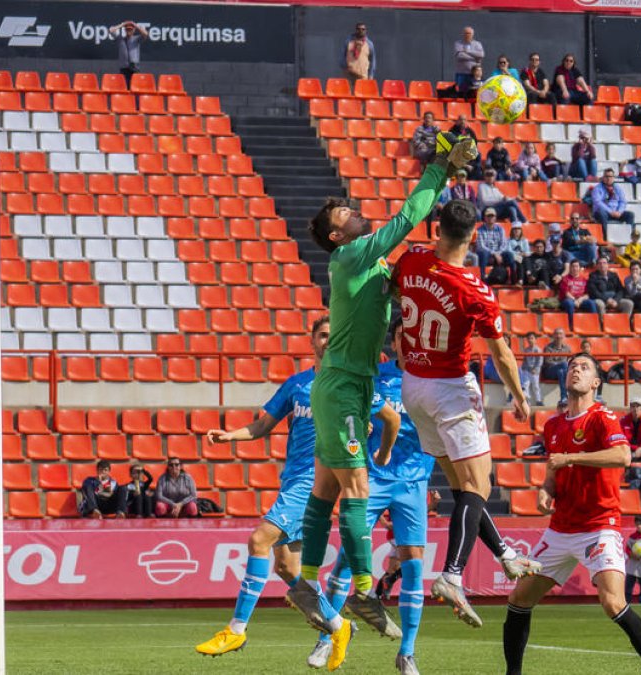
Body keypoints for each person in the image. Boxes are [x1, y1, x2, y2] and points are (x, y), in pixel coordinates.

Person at [288, 133, 477, 638]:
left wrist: (451, 177)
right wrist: (438, 167)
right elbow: (406, 220)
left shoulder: (368, 265)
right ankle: (366, 591)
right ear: (336, 236)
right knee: (356, 486)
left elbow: (406, 278)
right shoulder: (351, 258)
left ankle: (306, 582)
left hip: (347, 386)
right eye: (343, 216)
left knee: (327, 489)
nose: (353, 214)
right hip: (345, 387)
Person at [393, 199, 540, 629]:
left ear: (437, 228)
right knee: (480, 483)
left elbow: (394, 288)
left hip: (413, 385)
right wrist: (519, 395)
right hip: (451, 388)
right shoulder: (473, 288)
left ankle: (507, 556)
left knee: (462, 488)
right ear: (474, 235)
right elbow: (501, 351)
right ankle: (453, 575)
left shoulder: (413, 259)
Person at [197, 318, 369, 660]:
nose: (327, 341)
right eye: (322, 335)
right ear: (312, 342)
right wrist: (231, 435)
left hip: (314, 480)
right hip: (292, 479)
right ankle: (337, 627)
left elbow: (367, 428)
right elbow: (264, 424)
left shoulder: (349, 386)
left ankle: (236, 630)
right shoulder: (298, 385)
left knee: (259, 539)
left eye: (334, 337)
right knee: (287, 568)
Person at [503, 353, 641, 675]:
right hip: (560, 529)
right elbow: (553, 472)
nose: (575, 370)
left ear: (596, 382)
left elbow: (623, 456)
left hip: (598, 526)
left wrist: (571, 459)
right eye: (571, 367)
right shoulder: (552, 425)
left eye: (583, 367)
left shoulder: (603, 418)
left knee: (613, 603)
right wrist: (544, 491)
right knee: (519, 599)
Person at [306, 325, 445, 673]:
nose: (409, 341)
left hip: (414, 481)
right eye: (403, 336)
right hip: (373, 477)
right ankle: (329, 638)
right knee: (348, 559)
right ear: (396, 342)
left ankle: (407, 652)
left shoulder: (434, 381)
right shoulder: (375, 376)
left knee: (413, 563)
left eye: (415, 336)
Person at [589, 169, 636, 236]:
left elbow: (623, 201)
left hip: (616, 212)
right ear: (603, 177)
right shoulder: (597, 188)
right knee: (601, 212)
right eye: (606, 176)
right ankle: (606, 237)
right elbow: (598, 202)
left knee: (630, 215)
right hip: (605, 213)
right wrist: (610, 212)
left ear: (613, 177)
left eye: (610, 176)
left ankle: (629, 236)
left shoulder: (618, 188)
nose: (608, 178)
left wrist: (619, 212)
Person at [108, 21, 149, 88]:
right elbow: (110, 30)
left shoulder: (136, 39)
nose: (129, 31)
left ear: (133, 30)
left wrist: (135, 25)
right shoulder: (120, 39)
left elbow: (146, 34)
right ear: (125, 30)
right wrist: (122, 25)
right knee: (124, 88)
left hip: (134, 68)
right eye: (127, 29)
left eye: (130, 29)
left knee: (135, 88)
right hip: (124, 68)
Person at [558, 260, 595, 331]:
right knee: (570, 303)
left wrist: (579, 300)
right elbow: (566, 293)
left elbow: (587, 294)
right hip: (568, 300)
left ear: (579, 268)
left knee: (592, 303)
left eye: (577, 266)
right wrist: (574, 300)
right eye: (573, 266)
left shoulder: (584, 279)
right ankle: (571, 325)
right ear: (570, 268)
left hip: (580, 300)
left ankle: (593, 325)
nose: (575, 268)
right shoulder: (565, 279)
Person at [474, 207, 510, 274]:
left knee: (509, 255)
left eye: (492, 216)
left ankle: (514, 280)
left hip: (498, 252)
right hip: (486, 253)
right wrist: (494, 254)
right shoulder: (479, 230)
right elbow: (481, 247)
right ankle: (482, 277)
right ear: (485, 218)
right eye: (488, 216)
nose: (490, 218)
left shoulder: (500, 229)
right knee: (484, 254)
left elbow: (503, 244)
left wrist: (498, 253)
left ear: (495, 217)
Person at [542, 329, 571, 403]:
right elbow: (548, 362)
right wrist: (561, 364)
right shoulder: (548, 347)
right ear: (553, 336)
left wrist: (560, 364)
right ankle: (569, 393)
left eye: (560, 334)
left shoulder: (567, 348)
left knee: (561, 372)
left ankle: (563, 397)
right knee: (564, 365)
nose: (558, 336)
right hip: (550, 371)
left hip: (561, 372)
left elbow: (569, 360)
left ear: (564, 336)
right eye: (557, 334)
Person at [453, 27, 485, 93]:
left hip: (474, 74)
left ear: (472, 34)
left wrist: (467, 51)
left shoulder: (477, 44)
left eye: (469, 33)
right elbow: (459, 56)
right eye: (466, 33)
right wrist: (475, 58)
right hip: (462, 73)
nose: (468, 35)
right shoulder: (458, 44)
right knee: (461, 92)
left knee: (474, 93)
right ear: (463, 34)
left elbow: (481, 55)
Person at [519, 334, 544, 407]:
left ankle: (538, 400)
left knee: (535, 386)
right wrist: (523, 367)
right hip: (527, 370)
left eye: (532, 338)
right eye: (529, 338)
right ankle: (527, 401)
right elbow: (525, 360)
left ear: (535, 340)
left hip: (534, 371)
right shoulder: (526, 350)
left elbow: (540, 361)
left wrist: (536, 369)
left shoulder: (538, 350)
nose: (530, 340)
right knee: (526, 385)